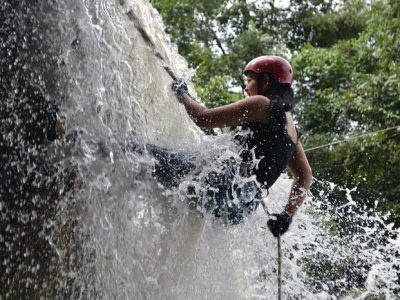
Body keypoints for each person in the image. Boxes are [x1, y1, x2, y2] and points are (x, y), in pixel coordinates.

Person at [169, 55, 312, 237]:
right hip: (239, 209)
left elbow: (202, 118)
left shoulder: (261, 104)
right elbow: (305, 175)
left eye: (250, 80)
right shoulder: (292, 129)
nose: (246, 87)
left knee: (140, 156)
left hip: (221, 188)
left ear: (266, 81)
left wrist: (182, 94)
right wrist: (286, 216)